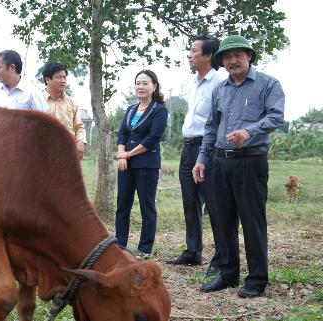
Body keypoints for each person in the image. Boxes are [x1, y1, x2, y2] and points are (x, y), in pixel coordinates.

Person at [193, 35, 284, 298]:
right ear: (221, 61)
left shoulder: (268, 84)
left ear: (249, 57)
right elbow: (211, 127)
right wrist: (202, 159)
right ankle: (228, 273)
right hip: (220, 161)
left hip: (251, 160)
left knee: (252, 220)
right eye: (227, 57)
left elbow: (276, 116)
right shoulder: (220, 89)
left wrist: (250, 131)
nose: (232, 60)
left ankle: (256, 280)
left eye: (238, 55)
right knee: (223, 220)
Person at [166, 34, 223, 278]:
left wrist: (208, 151)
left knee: (214, 202)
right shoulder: (194, 83)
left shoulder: (220, 81)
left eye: (193, 50)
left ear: (208, 55)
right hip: (188, 147)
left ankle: (222, 258)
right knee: (190, 201)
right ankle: (192, 251)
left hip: (208, 146)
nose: (189, 55)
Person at [115, 70, 168, 260]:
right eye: (138, 83)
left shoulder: (159, 110)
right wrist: (121, 154)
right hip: (125, 165)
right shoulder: (130, 109)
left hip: (147, 164)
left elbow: (152, 138)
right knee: (122, 205)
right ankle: (119, 244)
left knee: (147, 206)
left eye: (145, 83)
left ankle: (144, 248)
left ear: (154, 86)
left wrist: (128, 154)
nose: (140, 87)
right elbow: (122, 133)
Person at [42, 62, 87, 160]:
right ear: (47, 79)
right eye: (59, 77)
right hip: (43, 155)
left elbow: (79, 127)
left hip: (68, 155)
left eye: (64, 77)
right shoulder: (37, 101)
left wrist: (80, 141)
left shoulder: (72, 103)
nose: (63, 81)